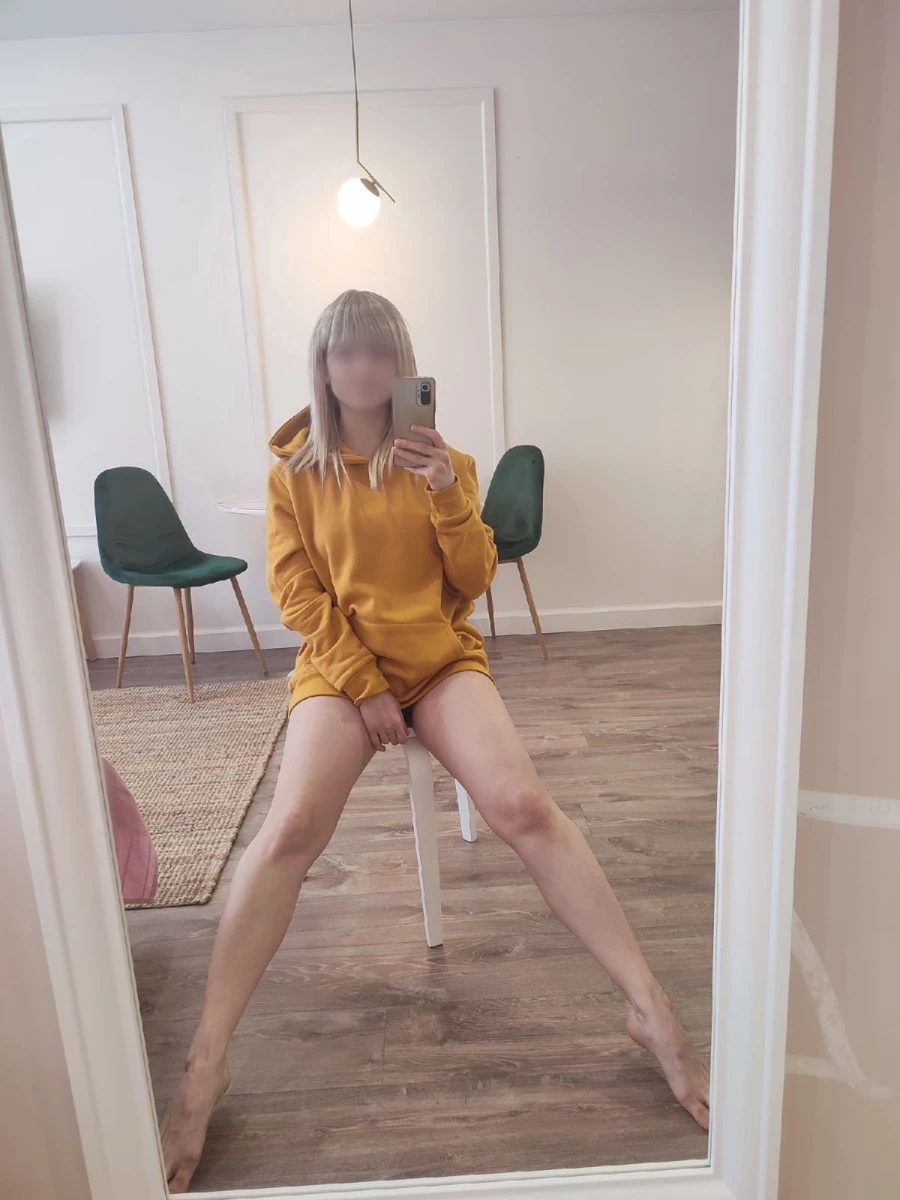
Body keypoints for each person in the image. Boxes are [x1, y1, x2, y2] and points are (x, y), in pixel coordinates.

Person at [160, 290, 709, 1192]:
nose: (363, 369)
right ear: (323, 366)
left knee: (524, 807)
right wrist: (366, 686)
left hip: (440, 661)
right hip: (341, 670)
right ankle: (205, 1062)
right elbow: (298, 597)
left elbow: (475, 576)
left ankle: (650, 1008)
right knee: (290, 828)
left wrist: (448, 494)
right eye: (346, 353)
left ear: (403, 364)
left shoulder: (445, 462)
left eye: (380, 352)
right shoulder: (294, 473)